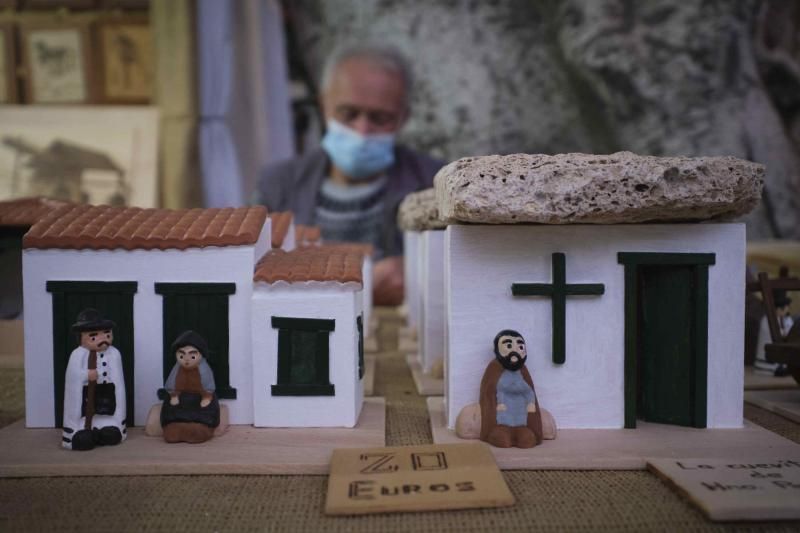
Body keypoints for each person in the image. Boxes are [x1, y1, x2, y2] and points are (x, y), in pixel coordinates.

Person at [257, 44, 443, 305]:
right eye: (349, 114)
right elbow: (250, 273)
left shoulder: (437, 186)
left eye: (380, 118)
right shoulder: (277, 185)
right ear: (324, 106)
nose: (362, 130)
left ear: (403, 118)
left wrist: (422, 270)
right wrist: (362, 287)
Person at [62, 308, 127, 451]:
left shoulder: (114, 353)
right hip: (85, 395)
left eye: (107, 334)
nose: (103, 339)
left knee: (110, 422)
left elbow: (119, 381)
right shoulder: (78, 355)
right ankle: (79, 432)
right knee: (83, 433)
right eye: (94, 336)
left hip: (108, 393)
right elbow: (72, 375)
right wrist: (85, 375)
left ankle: (110, 427)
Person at [479, 330, 543, 449]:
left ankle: (522, 431)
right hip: (502, 418)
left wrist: (530, 403)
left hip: (521, 419)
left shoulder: (523, 371)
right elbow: (489, 392)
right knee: (502, 439)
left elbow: (529, 391)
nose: (515, 350)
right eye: (509, 346)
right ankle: (501, 431)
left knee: (527, 439)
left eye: (520, 346)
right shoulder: (494, 368)